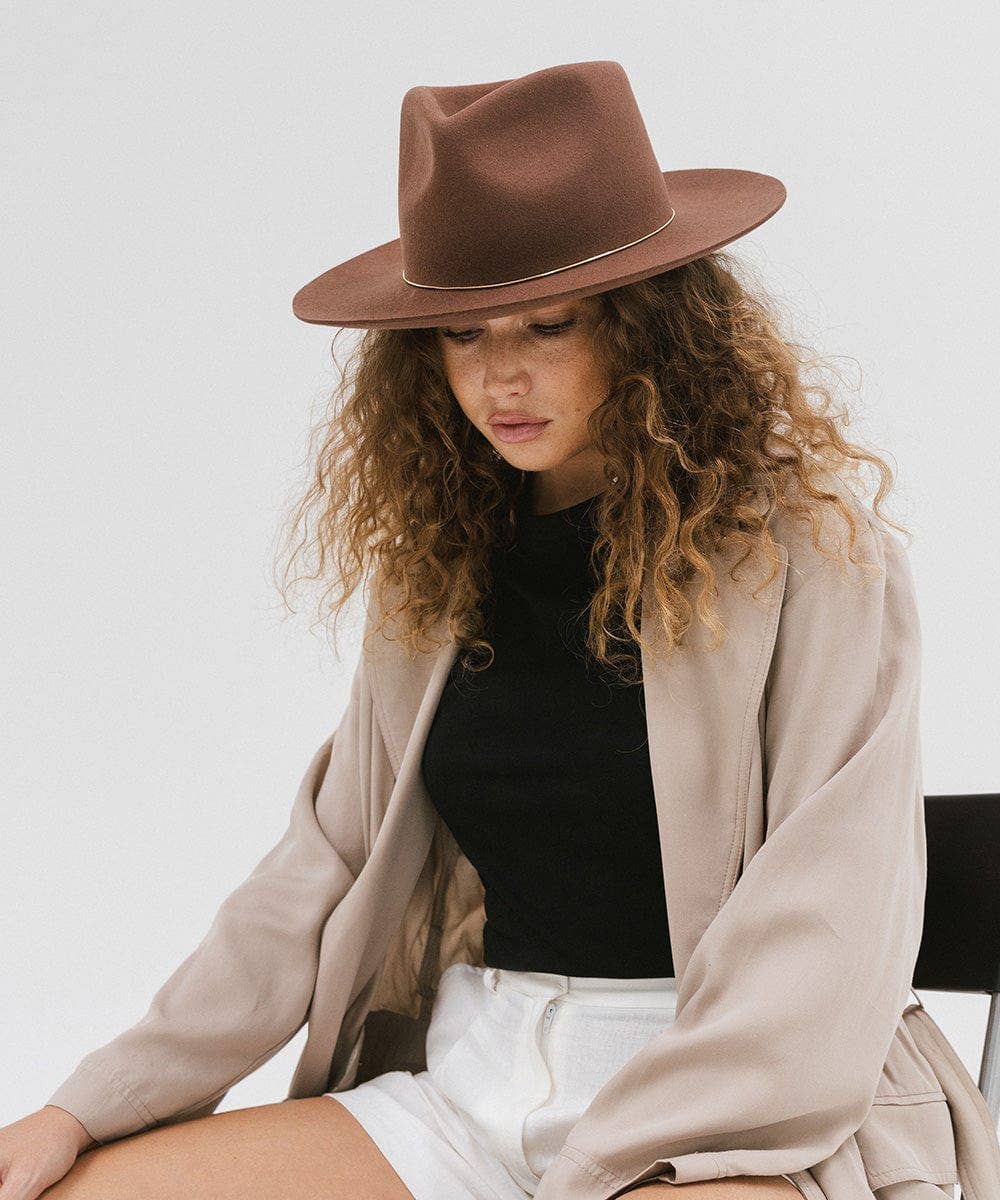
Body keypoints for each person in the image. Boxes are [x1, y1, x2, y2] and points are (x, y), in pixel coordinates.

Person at [4, 59, 975, 1200]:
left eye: (548, 325)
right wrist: (89, 1103)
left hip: (738, 1108)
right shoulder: (442, 562)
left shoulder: (806, 551)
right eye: (462, 334)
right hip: (476, 1088)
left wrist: (604, 1166)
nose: (499, 377)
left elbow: (825, 925)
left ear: (653, 328)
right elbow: (320, 872)